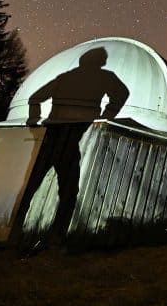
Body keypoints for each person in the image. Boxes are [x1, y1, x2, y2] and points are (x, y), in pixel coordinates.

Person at [13, 47, 129, 250]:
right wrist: (106, 116)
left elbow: (35, 98)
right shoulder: (104, 77)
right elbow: (122, 93)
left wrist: (34, 121)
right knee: (68, 189)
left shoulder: (64, 77)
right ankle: (56, 235)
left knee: (30, 185)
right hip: (72, 134)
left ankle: (12, 231)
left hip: (50, 134)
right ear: (101, 62)